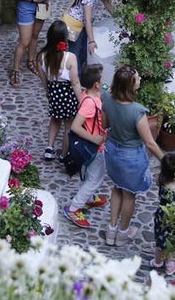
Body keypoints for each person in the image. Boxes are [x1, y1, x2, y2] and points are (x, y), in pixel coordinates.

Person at [101, 64, 165, 246]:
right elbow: (150, 143)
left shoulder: (107, 98)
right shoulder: (137, 111)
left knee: (116, 187)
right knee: (129, 194)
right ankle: (123, 233)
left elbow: (105, 125)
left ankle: (111, 230)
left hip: (112, 151)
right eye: (137, 79)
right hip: (130, 157)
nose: (140, 80)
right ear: (130, 85)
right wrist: (165, 160)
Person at [63, 64, 110, 229]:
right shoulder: (90, 103)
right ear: (96, 84)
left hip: (92, 146)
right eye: (102, 79)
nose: (104, 81)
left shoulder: (88, 95)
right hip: (94, 146)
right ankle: (74, 208)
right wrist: (94, 139)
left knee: (89, 174)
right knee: (95, 179)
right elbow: (75, 126)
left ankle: (88, 198)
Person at [38, 20, 81, 161]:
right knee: (68, 125)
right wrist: (81, 100)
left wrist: (48, 93)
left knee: (55, 120)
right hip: (68, 95)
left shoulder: (42, 56)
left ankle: (49, 148)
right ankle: (64, 154)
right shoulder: (70, 58)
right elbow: (74, 82)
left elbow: (44, 79)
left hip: (54, 93)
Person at [63, 0, 112, 76]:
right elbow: (87, 20)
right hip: (73, 26)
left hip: (82, 25)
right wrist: (92, 41)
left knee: (82, 52)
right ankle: (73, 79)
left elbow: (107, 3)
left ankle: (79, 76)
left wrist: (119, 17)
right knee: (75, 53)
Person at [151, 152, 175, 275]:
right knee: (172, 240)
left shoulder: (161, 180)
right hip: (173, 217)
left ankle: (157, 262)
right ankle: (170, 264)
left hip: (161, 214)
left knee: (160, 240)